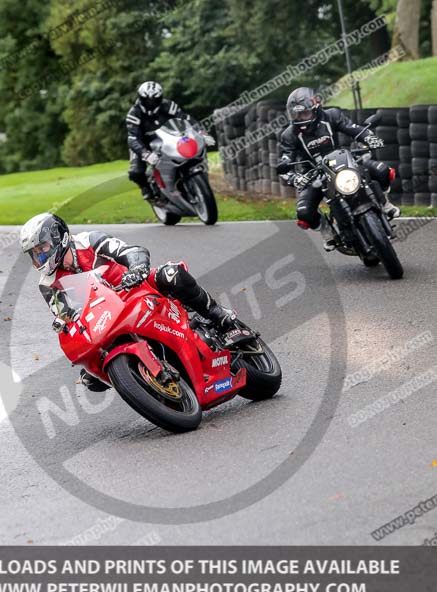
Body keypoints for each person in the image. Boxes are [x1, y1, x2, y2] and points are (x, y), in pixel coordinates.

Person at [20, 213, 244, 390]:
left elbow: (130, 250)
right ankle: (143, 380)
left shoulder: (89, 240)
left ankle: (218, 314)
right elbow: (65, 316)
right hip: (105, 317)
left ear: (60, 238)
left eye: (43, 249)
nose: (39, 257)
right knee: (92, 378)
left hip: (136, 288)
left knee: (171, 274)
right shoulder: (47, 283)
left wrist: (136, 267)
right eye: (35, 253)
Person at [278, 87, 400, 251]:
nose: (300, 118)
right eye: (296, 114)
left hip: (343, 161)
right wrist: (294, 177)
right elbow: (285, 160)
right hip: (314, 174)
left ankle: (384, 202)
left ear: (316, 108)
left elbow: (353, 128)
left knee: (383, 171)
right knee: (304, 213)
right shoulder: (289, 135)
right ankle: (327, 232)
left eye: (304, 113)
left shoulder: (331, 116)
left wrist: (370, 138)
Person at [126, 81, 214, 199]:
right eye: (146, 100)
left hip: (170, 138)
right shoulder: (134, 114)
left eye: (154, 100)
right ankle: (145, 187)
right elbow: (133, 138)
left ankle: (196, 176)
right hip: (144, 144)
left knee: (193, 151)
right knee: (135, 172)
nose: (150, 103)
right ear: (140, 97)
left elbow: (186, 119)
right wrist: (145, 153)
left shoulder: (168, 106)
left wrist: (202, 133)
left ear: (161, 97)